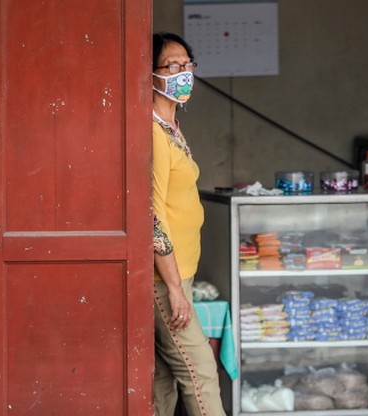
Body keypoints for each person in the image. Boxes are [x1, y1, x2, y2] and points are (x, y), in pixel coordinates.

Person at [151, 32, 226, 416]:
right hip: (164, 282)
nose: (183, 74)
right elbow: (152, 218)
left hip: (181, 275)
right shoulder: (151, 133)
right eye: (172, 66)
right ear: (150, 73)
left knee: (161, 378)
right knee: (201, 373)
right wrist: (174, 289)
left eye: (188, 66)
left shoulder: (171, 127)